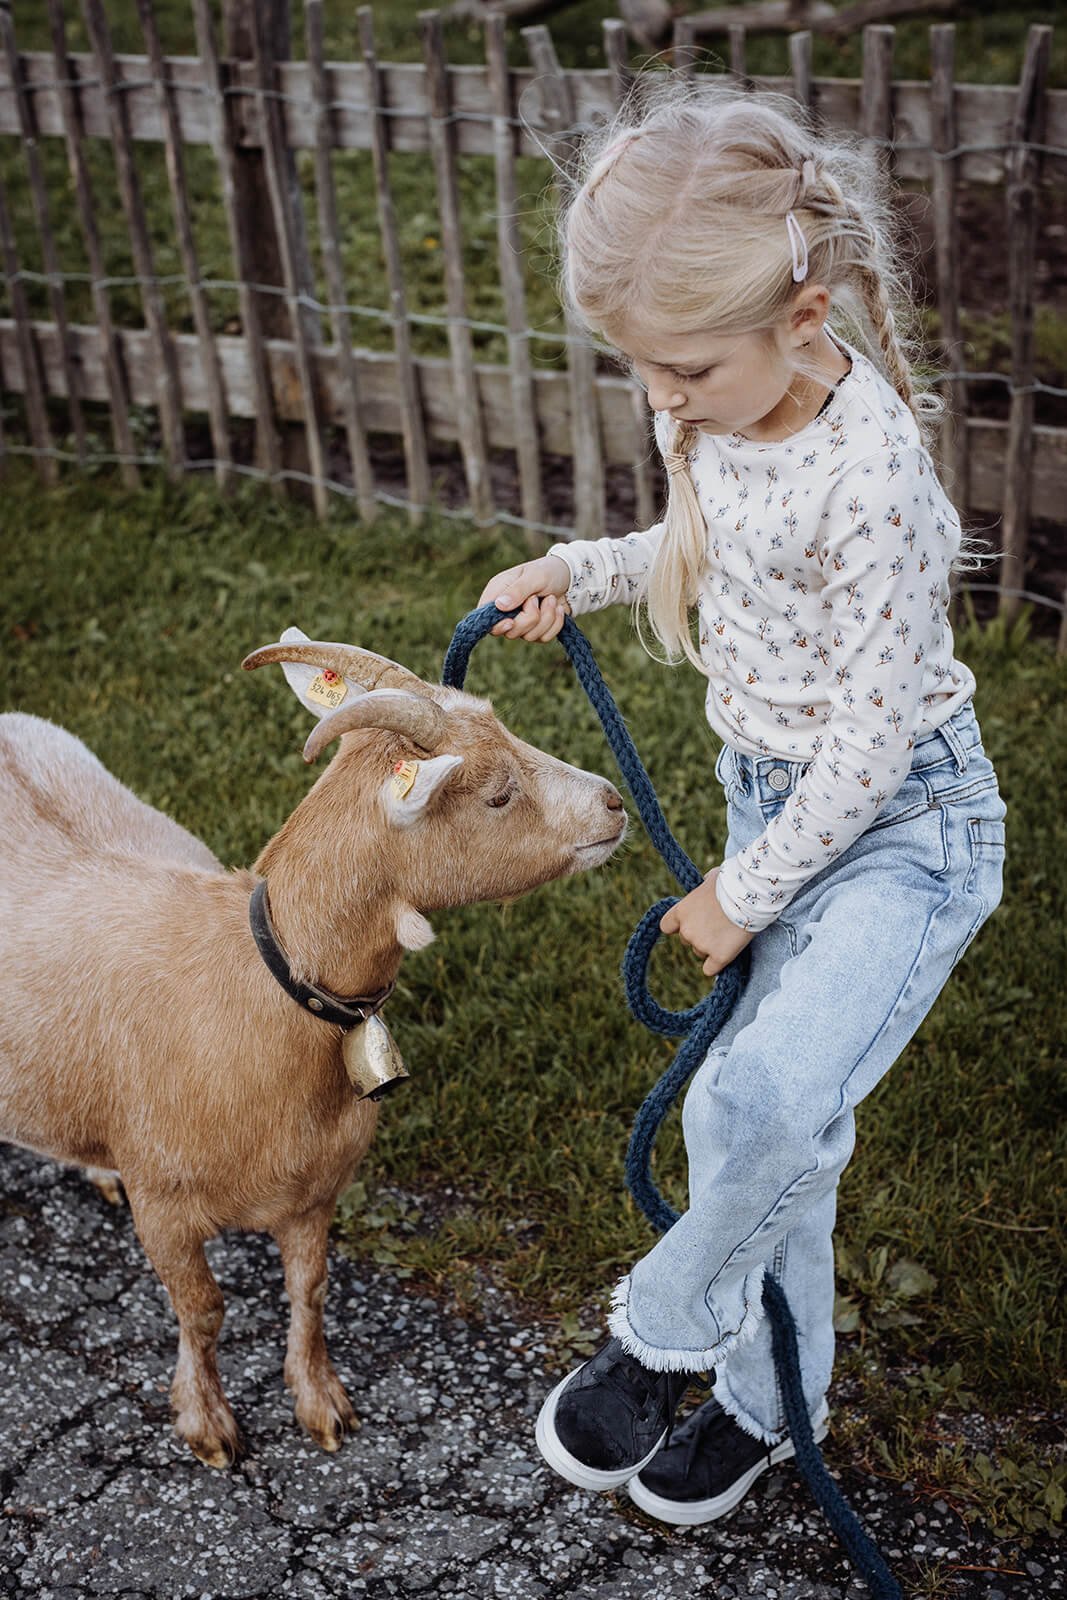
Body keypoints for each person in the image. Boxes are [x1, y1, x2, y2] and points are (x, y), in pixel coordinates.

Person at [474, 76, 1007, 1526]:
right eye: (642, 372)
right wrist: (580, 570)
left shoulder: (877, 479)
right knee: (765, 1141)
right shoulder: (720, 410)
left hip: (900, 835)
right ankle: (776, 1408)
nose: (661, 402)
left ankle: (660, 1336)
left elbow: (875, 752)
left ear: (804, 319)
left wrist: (745, 890)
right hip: (771, 801)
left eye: (683, 375)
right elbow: (715, 546)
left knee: (763, 1097)